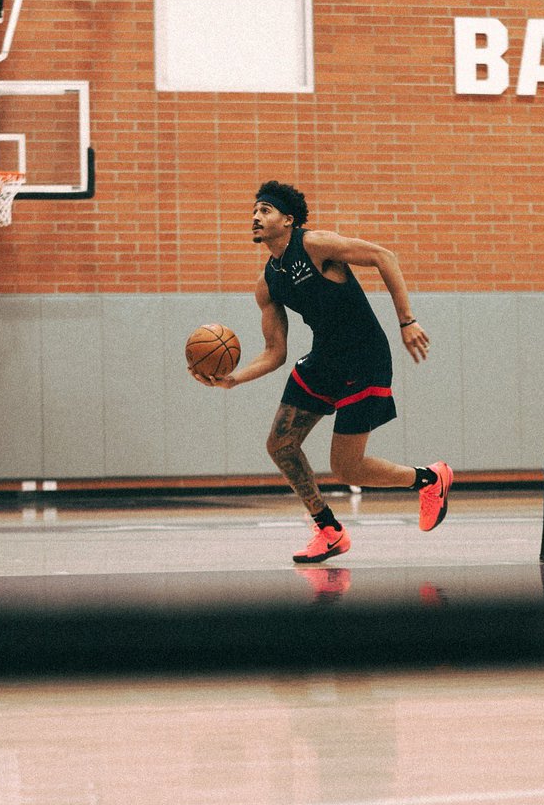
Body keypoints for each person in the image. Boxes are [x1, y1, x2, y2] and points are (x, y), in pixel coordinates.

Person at [190, 180, 452, 563]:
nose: (255, 216)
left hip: (365, 357)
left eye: (265, 210)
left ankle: (430, 478)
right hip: (324, 358)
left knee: (347, 468)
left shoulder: (314, 245)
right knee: (280, 445)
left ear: (288, 220)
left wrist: (407, 321)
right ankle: (329, 531)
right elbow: (275, 352)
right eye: (254, 210)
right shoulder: (268, 284)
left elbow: (384, 256)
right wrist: (233, 378)